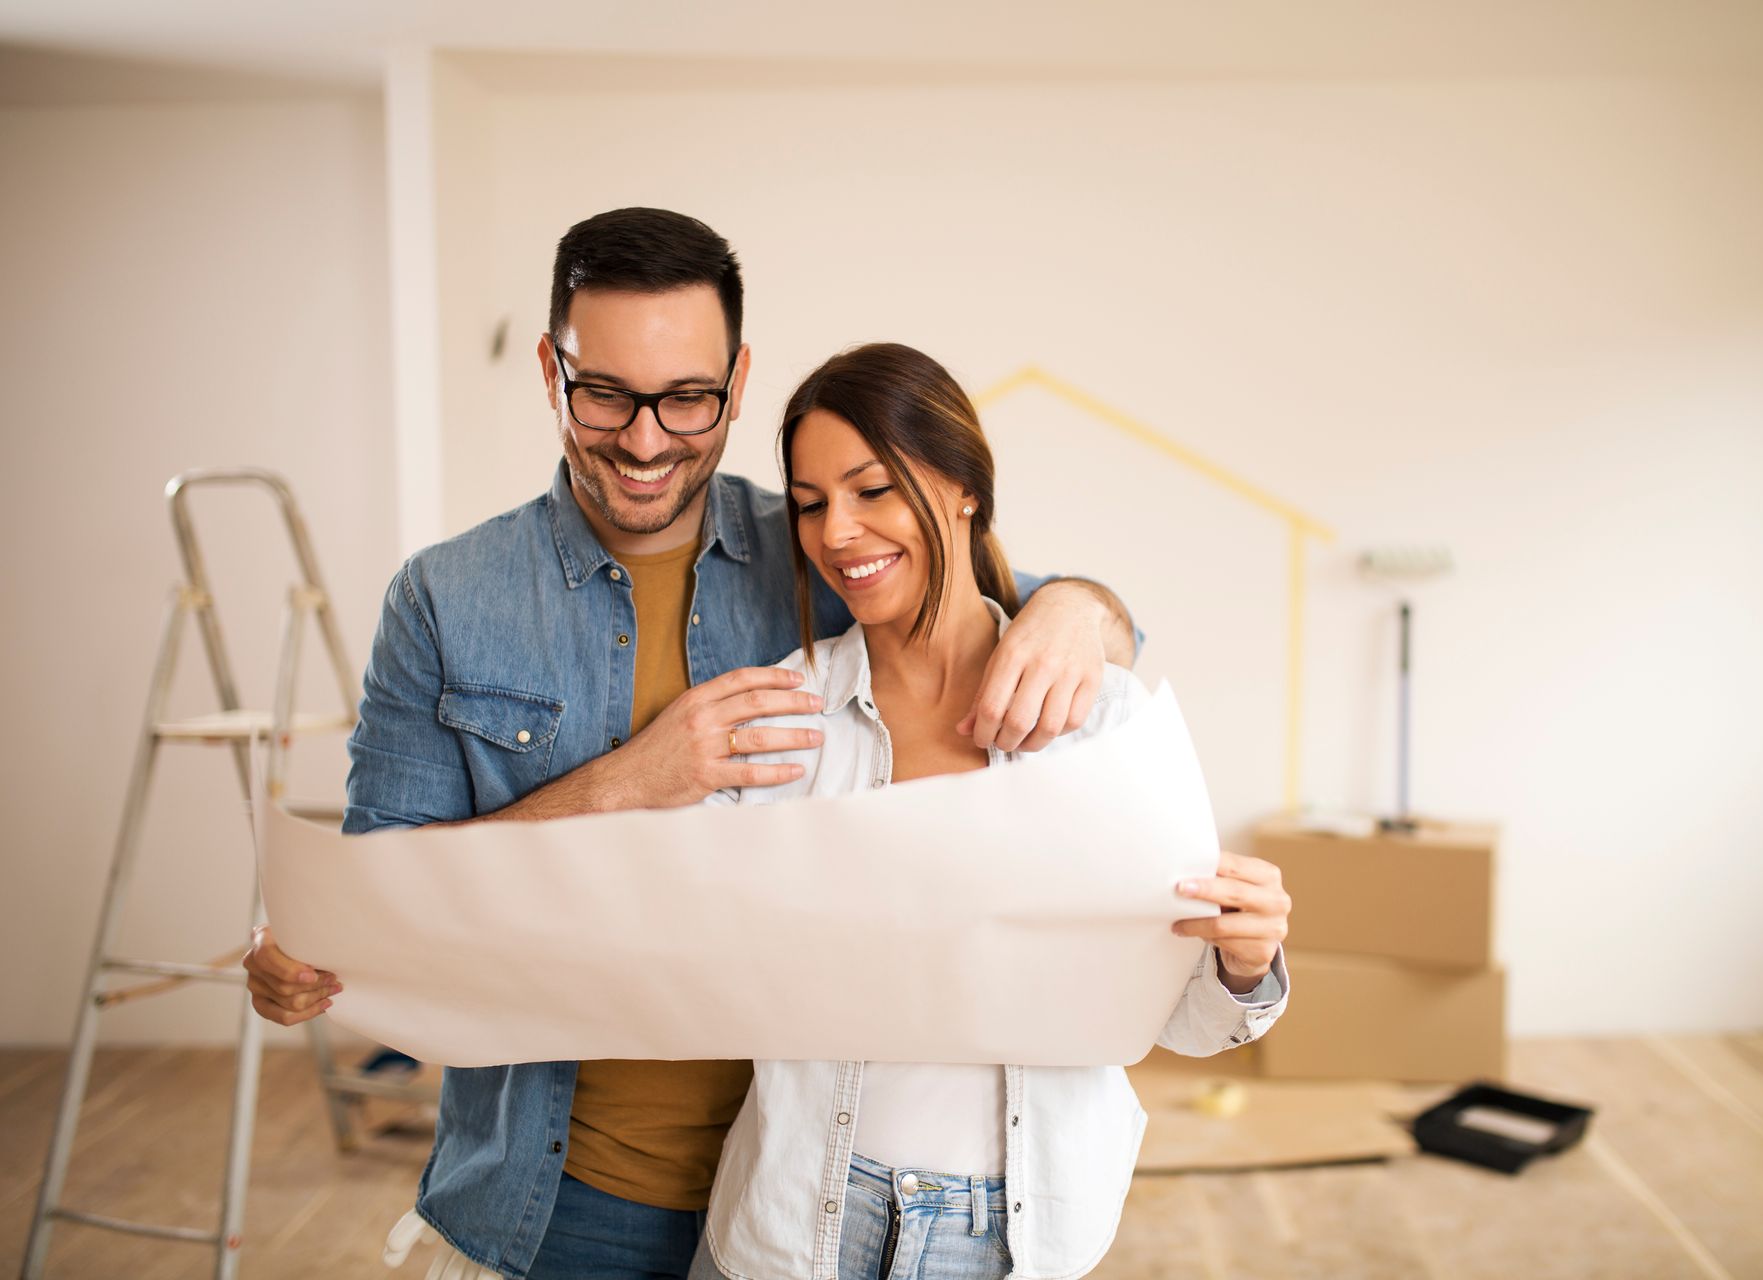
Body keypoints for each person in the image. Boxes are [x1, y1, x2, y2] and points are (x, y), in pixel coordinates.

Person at [240, 208, 1139, 1280]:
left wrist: (1084, 606)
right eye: (606, 391)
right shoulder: (447, 598)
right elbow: (383, 901)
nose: (647, 436)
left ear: (738, 377)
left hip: (798, 1194)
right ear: (550, 367)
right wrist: (629, 781)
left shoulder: (819, 542)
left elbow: (1020, 613)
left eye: (688, 397)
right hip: (557, 1192)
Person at [689, 343, 1291, 1280]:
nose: (838, 532)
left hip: (1009, 1242)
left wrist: (1244, 963)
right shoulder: (777, 722)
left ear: (963, 487)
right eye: (810, 504)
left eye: (873, 490)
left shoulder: (1109, 724)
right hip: (792, 1226)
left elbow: (1177, 1021)